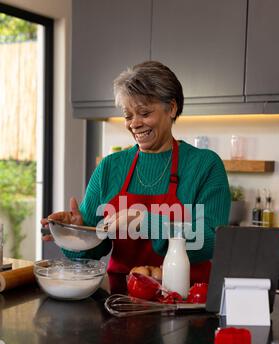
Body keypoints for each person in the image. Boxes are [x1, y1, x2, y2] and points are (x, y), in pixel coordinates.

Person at [42, 61, 230, 283]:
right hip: (121, 299)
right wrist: (74, 233)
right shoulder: (109, 168)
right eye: (128, 115)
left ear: (171, 108)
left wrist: (145, 221)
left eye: (144, 113)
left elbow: (212, 241)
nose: (135, 124)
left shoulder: (205, 165)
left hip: (186, 298)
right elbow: (93, 247)